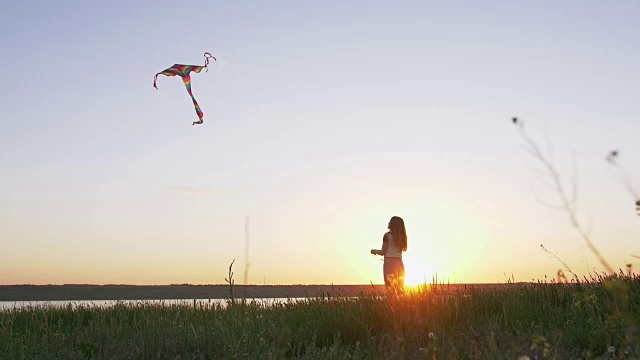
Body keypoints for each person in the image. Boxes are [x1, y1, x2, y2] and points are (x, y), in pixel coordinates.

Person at [370, 216, 407, 292]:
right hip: (399, 263)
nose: (388, 222)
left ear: (393, 224)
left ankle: (391, 303)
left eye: (390, 221)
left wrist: (374, 251)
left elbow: (383, 252)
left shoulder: (387, 236)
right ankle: (401, 303)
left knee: (390, 288)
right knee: (400, 288)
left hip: (389, 263)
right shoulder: (402, 237)